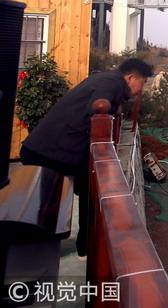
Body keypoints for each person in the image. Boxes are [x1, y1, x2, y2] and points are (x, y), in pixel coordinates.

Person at [20, 58, 153, 256]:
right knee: (79, 196)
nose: (141, 89)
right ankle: (74, 248)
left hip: (50, 148)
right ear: (131, 78)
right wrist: (110, 107)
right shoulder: (113, 83)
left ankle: (82, 245)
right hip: (50, 152)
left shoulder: (106, 78)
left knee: (87, 189)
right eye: (143, 82)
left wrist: (117, 107)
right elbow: (97, 106)